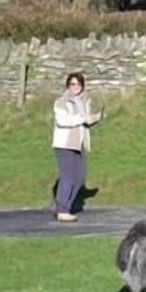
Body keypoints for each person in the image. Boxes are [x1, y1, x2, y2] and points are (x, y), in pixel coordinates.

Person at [52, 72, 104, 222]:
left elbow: (85, 122)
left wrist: (96, 118)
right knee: (67, 177)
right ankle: (62, 210)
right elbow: (63, 121)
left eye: (78, 84)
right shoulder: (61, 102)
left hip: (79, 144)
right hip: (64, 144)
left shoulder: (83, 102)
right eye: (72, 84)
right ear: (68, 86)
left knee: (80, 177)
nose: (75, 87)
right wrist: (82, 118)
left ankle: (68, 206)